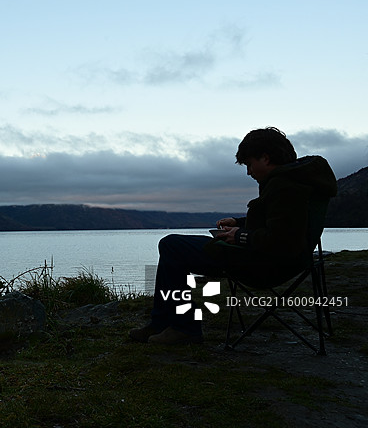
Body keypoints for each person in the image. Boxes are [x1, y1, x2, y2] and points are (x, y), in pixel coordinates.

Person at [130, 127, 338, 345]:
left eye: (249, 164)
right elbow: (281, 223)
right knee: (173, 246)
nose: (249, 172)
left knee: (172, 245)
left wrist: (240, 237)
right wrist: (239, 224)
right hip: (275, 259)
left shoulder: (286, 186)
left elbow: (283, 242)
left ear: (265, 158)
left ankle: (182, 327)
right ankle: (165, 322)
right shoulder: (297, 180)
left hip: (264, 264)